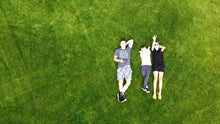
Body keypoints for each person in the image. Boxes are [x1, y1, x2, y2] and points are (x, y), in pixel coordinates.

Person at [151, 35, 166, 100]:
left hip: (161, 65)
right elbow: (152, 46)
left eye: (157, 44)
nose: (156, 45)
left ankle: (159, 92)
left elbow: (164, 47)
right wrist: (154, 40)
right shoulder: (153, 50)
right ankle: (154, 93)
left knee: (160, 79)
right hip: (155, 65)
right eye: (155, 44)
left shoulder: (161, 50)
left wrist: (159, 46)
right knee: (155, 79)